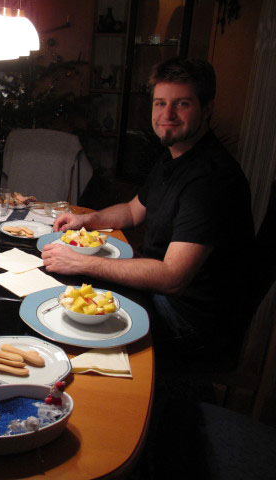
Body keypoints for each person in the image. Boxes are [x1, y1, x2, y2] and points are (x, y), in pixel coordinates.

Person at [42, 58, 254, 366]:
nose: (167, 115)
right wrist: (86, 220)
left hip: (189, 322)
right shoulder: (175, 155)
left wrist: (80, 262)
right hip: (164, 295)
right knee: (65, 292)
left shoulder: (210, 179)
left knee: (62, 324)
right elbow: (132, 211)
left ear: (207, 108)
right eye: (160, 103)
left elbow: (172, 277)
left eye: (181, 104)